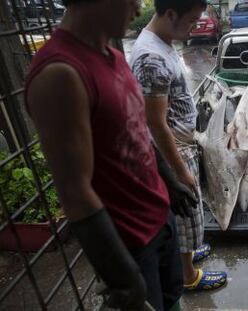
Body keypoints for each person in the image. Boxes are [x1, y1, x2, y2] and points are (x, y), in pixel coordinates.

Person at [25, 0, 197, 310]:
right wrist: (122, 274)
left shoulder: (115, 56)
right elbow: (74, 192)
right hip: (130, 241)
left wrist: (170, 182)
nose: (137, 8)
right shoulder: (60, 74)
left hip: (161, 218)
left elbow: (140, 133)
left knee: (172, 300)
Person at [129, 0, 227, 291]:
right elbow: (155, 123)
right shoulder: (151, 58)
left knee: (188, 219)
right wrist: (179, 170)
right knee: (186, 214)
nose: (195, 27)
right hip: (175, 152)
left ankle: (187, 255)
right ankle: (188, 276)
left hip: (182, 145)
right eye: (191, 21)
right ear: (170, 14)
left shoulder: (162, 43)